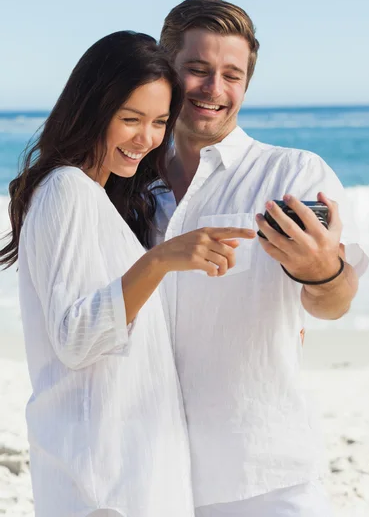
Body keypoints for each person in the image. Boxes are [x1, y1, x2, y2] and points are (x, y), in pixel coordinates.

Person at [0, 31, 255, 517]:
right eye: (130, 119)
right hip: (102, 481)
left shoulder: (99, 200)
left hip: (125, 471)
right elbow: (75, 338)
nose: (147, 138)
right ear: (92, 110)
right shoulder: (66, 190)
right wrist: (160, 260)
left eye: (160, 121)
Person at [155, 0, 369, 516]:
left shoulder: (293, 174)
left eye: (232, 75)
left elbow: (335, 303)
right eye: (198, 70)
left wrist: (322, 272)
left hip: (264, 472)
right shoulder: (124, 182)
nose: (214, 90)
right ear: (164, 71)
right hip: (149, 473)